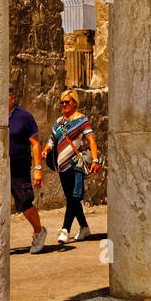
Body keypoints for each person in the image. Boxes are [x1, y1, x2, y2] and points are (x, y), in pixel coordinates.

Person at [45, 90, 100, 245]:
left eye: (67, 102)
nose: (64, 105)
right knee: (71, 198)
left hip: (76, 164)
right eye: (62, 102)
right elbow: (52, 139)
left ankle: (65, 230)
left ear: (74, 103)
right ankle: (84, 227)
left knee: (74, 197)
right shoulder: (59, 122)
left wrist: (95, 160)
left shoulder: (82, 120)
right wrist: (45, 150)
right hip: (62, 165)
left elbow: (91, 140)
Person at [8, 89, 47, 254]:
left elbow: (36, 144)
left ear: (12, 97)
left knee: (24, 203)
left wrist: (38, 169)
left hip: (19, 167)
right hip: (0, 167)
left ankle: (39, 231)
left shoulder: (24, 117)